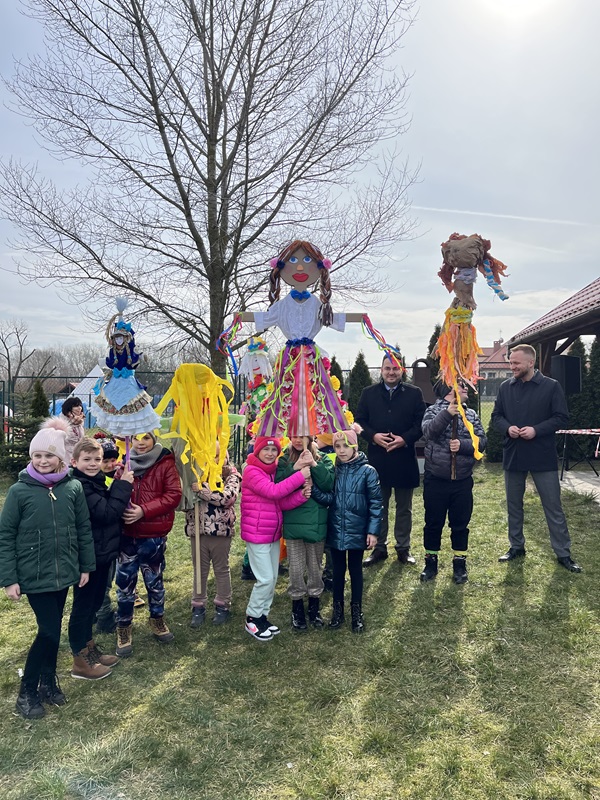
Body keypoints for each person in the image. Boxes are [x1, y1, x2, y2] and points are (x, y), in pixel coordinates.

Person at [0, 418, 95, 718]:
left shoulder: (73, 488)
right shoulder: (19, 492)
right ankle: (26, 692)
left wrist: (85, 566)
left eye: (49, 456)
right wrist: (9, 578)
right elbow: (5, 535)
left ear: (61, 459)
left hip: (64, 573)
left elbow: (83, 529)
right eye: (37, 455)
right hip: (33, 575)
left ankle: (47, 683)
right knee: (49, 632)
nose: (43, 461)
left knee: (52, 631)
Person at [491, 344, 582, 572]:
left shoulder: (551, 387)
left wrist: (536, 430)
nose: (512, 367)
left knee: (553, 506)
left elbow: (562, 418)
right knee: (514, 505)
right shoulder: (505, 387)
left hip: (542, 456)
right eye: (510, 363)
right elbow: (496, 417)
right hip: (514, 454)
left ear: (530, 363)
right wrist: (507, 428)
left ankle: (563, 553)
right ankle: (516, 546)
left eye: (516, 363)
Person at [68, 438, 133, 678]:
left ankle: (90, 649)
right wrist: (122, 485)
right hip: (88, 556)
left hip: (101, 553)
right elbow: (107, 513)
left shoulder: (93, 482)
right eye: (87, 460)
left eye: (97, 459)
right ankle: (80, 660)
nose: (94, 464)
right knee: (83, 607)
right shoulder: (81, 485)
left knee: (94, 604)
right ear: (75, 462)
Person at [115, 432, 182, 657]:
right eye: (136, 438)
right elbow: (116, 493)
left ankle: (157, 619)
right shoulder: (124, 463)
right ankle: (123, 627)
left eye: (146, 438)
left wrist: (144, 510)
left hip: (152, 535)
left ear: (154, 439)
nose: (141, 443)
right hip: (127, 536)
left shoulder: (165, 463)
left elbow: (173, 495)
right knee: (125, 583)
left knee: (154, 581)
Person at [355, 356, 425, 566]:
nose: (391, 372)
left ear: (401, 370)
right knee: (378, 507)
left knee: (404, 508)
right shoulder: (369, 393)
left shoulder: (414, 393)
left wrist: (404, 439)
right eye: (387, 368)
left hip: (404, 458)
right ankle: (379, 548)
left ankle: (403, 548)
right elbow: (359, 420)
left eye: (395, 368)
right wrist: (373, 436)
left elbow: (421, 422)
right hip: (378, 459)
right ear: (381, 370)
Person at [240, 436, 310, 642]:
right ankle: (252, 617)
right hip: (257, 534)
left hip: (272, 533)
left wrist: (301, 496)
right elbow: (273, 492)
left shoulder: (272, 472)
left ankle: (262, 616)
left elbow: (280, 502)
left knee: (272, 579)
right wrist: (299, 475)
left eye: (274, 450)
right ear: (258, 451)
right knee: (265, 579)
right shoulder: (251, 471)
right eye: (266, 449)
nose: (270, 453)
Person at [313, 429, 382, 633]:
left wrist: (372, 531)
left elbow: (376, 503)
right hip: (336, 530)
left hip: (357, 531)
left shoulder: (368, 471)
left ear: (355, 447)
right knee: (337, 571)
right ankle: (337, 611)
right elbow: (329, 498)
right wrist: (313, 489)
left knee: (355, 571)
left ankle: (356, 612)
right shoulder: (334, 469)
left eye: (346, 446)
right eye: (337, 446)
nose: (341, 451)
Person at [420, 381, 487, 584]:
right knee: (433, 523)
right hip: (436, 479)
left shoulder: (472, 414)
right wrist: (448, 413)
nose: (467, 389)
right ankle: (431, 562)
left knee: (460, 523)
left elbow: (482, 441)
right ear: (450, 391)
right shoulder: (433, 411)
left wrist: (464, 445)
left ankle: (459, 563)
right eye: (461, 386)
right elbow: (428, 433)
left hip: (462, 480)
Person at [276, 437, 335, 631]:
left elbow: (328, 484)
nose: (297, 440)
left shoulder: (323, 458)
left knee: (315, 566)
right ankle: (297, 607)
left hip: (316, 522)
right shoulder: (284, 459)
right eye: (293, 435)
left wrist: (313, 464)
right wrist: (296, 467)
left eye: (302, 435)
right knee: (296, 567)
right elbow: (278, 484)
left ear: (310, 437)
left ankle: (314, 606)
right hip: (294, 521)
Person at [183, 447, 241, 628]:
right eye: (211, 455)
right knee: (199, 569)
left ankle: (223, 604)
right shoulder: (196, 475)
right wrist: (190, 488)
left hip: (220, 530)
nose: (215, 458)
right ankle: (198, 606)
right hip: (197, 531)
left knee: (221, 568)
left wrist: (203, 491)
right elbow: (185, 501)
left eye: (219, 455)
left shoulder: (231, 475)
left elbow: (227, 498)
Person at [60, 396, 85, 464]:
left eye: (80, 405)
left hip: (78, 454)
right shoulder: (62, 423)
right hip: (65, 455)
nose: (79, 408)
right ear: (69, 408)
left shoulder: (79, 423)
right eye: (76, 406)